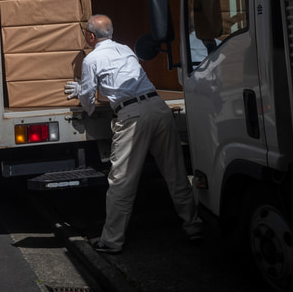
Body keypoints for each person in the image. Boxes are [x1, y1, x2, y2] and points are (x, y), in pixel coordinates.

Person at [64, 14, 203, 254]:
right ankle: (194, 226)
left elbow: (87, 97)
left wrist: (85, 101)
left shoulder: (91, 59)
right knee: (176, 173)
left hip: (132, 115)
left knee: (121, 181)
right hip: (159, 109)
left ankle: (112, 241)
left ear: (90, 36)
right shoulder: (126, 50)